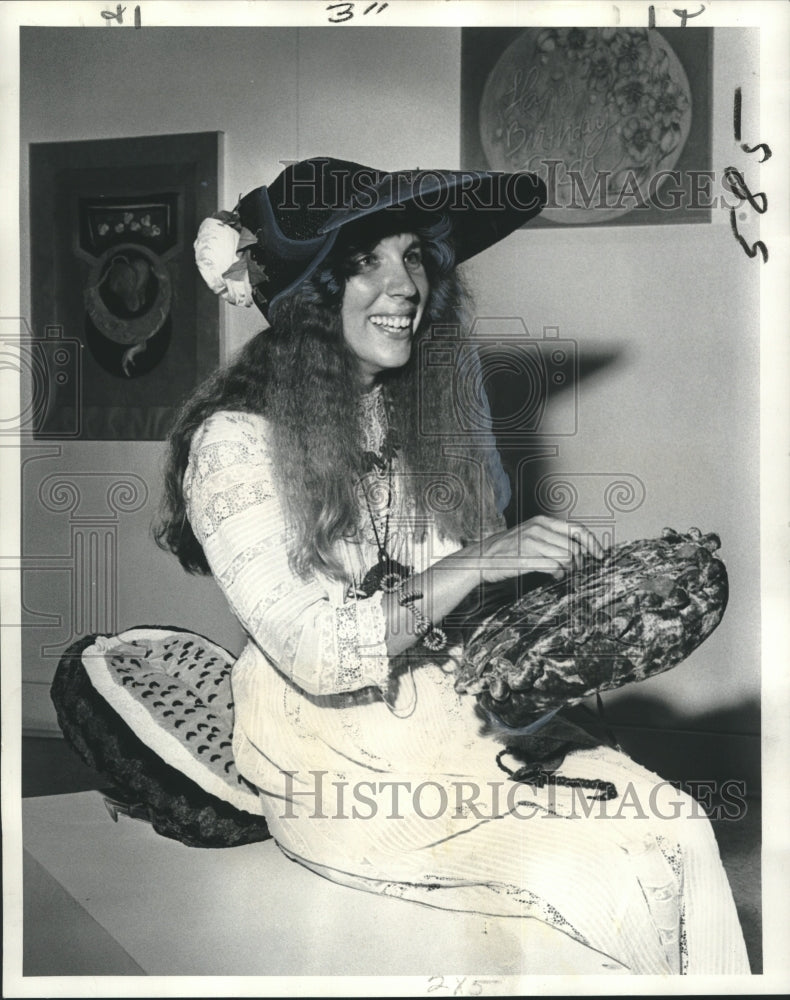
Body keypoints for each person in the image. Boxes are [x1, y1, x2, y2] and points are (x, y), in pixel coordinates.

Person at [156, 157, 749, 974]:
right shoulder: (234, 445)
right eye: (366, 261)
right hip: (330, 756)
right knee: (613, 874)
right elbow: (315, 652)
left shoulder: (429, 404)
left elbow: (469, 593)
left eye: (414, 256)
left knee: (677, 822)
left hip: (454, 713)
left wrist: (572, 625)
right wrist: (483, 558)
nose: (406, 285)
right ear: (306, 294)